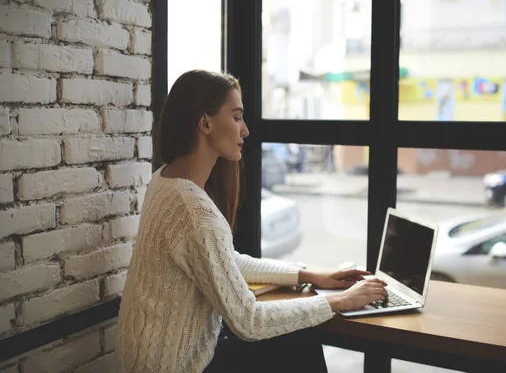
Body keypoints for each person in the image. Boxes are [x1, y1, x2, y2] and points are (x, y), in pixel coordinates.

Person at [114, 70, 387, 373]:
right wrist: (340, 302)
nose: (245, 131)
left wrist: (309, 275)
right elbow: (250, 321)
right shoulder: (194, 211)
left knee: (296, 339)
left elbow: (224, 261)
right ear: (205, 123)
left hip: (145, 362)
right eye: (236, 117)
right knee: (302, 341)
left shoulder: (164, 180)